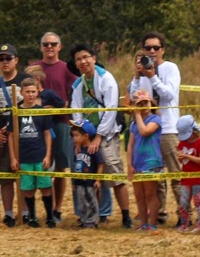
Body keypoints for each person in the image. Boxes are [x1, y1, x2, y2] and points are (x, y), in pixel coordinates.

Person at [69, 43, 131, 227]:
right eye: (79, 59)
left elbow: (111, 109)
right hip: (87, 136)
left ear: (94, 58)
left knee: (114, 174)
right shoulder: (78, 84)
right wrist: (81, 136)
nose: (83, 61)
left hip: (106, 135)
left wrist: (99, 136)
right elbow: (76, 109)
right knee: (89, 175)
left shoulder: (106, 79)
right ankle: (93, 216)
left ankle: (126, 216)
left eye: (86, 57)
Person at [127, 31, 181, 226]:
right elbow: (134, 99)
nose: (152, 51)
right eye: (147, 48)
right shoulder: (141, 74)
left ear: (163, 50)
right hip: (146, 132)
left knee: (176, 176)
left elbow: (168, 95)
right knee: (155, 179)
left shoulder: (170, 68)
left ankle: (184, 215)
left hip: (167, 129)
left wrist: (152, 77)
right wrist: (137, 76)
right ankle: (158, 215)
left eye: (156, 48)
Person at [33, 32, 78, 225]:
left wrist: (62, 108)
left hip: (60, 122)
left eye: (53, 44)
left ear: (60, 46)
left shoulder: (67, 69)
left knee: (60, 167)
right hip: (36, 124)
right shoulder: (34, 69)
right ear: (41, 46)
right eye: (46, 44)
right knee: (41, 166)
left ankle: (57, 208)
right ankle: (40, 208)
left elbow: (73, 95)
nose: (49, 47)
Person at [0, 44, 30, 227]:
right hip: (2, 137)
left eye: (8, 58)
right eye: (1, 59)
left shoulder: (25, 79)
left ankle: (26, 212)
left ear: (16, 60)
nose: (4, 62)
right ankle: (9, 213)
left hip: (24, 134)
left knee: (25, 176)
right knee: (5, 177)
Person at [9, 78, 55, 227]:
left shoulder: (42, 111)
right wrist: (13, 158)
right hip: (24, 157)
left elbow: (47, 134)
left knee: (46, 188)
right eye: (27, 92)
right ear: (21, 92)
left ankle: (50, 217)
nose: (30, 95)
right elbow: (10, 135)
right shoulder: (16, 111)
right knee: (28, 190)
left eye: (33, 92)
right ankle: (32, 217)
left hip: (40, 156)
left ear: (38, 92)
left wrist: (48, 155)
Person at [127, 89, 163, 232]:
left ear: (151, 103)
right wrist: (129, 164)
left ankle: (152, 223)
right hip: (137, 162)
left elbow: (145, 131)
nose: (143, 106)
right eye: (139, 103)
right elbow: (130, 145)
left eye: (145, 102)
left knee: (150, 194)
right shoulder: (133, 124)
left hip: (151, 161)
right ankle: (143, 223)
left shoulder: (155, 119)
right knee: (139, 195)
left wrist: (137, 115)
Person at [176, 115, 200, 231]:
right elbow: (182, 160)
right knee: (183, 202)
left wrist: (187, 156)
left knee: (198, 201)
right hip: (186, 177)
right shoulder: (182, 143)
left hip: (198, 178)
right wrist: (181, 157)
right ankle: (184, 223)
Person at [70, 118, 103, 229]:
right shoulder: (77, 150)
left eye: (76, 136)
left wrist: (98, 180)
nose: (74, 138)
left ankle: (92, 220)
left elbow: (100, 164)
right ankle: (84, 220)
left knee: (91, 200)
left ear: (86, 136)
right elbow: (76, 166)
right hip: (79, 181)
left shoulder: (93, 150)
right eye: (73, 136)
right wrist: (74, 181)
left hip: (90, 181)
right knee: (81, 201)